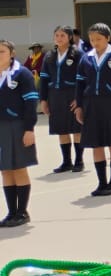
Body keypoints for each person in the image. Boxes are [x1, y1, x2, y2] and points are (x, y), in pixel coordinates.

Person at [75, 23, 111, 198]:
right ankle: (101, 182)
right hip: (91, 105)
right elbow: (80, 84)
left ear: (108, 38)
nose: (95, 43)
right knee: (96, 144)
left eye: (99, 39)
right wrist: (79, 105)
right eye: (92, 39)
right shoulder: (86, 58)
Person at [0, 41, 38, 227]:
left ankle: (22, 211)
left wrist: (29, 129)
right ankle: (11, 212)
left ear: (11, 53)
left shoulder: (21, 73)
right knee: (6, 169)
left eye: (2, 51)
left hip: (17, 125)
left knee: (19, 168)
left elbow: (31, 102)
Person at [40, 25, 84, 174]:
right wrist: (44, 100)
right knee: (61, 130)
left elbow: (84, 77)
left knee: (76, 129)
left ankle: (79, 160)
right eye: (57, 35)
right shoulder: (49, 56)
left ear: (69, 37)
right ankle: (66, 161)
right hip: (55, 96)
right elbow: (44, 78)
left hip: (72, 94)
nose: (59, 38)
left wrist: (79, 98)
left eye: (62, 36)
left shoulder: (77, 54)